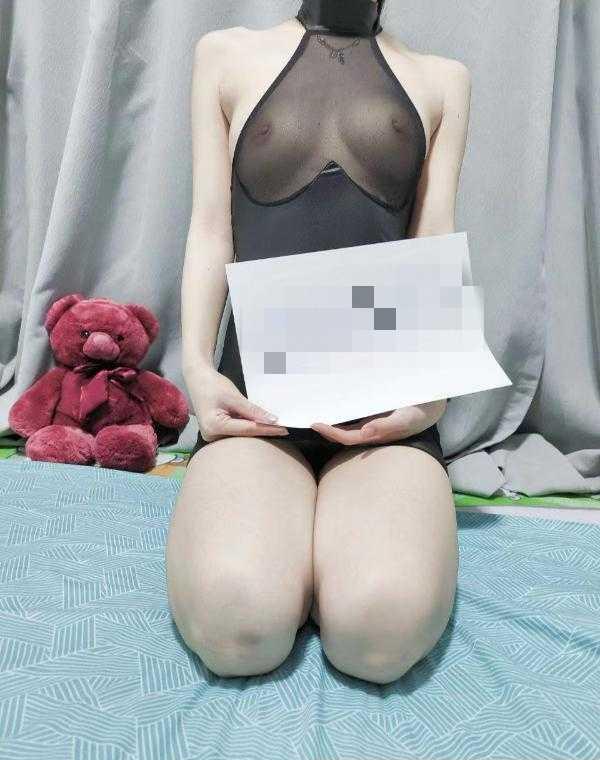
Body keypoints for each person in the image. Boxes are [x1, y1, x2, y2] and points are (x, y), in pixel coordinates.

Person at [166, 0, 471, 685]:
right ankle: (294, 560)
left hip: (386, 413)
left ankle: (324, 564)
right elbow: (210, 229)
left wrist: (434, 400)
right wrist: (197, 371)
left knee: (378, 639)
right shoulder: (224, 55)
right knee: (238, 632)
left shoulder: (443, 79)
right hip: (256, 409)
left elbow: (435, 242)